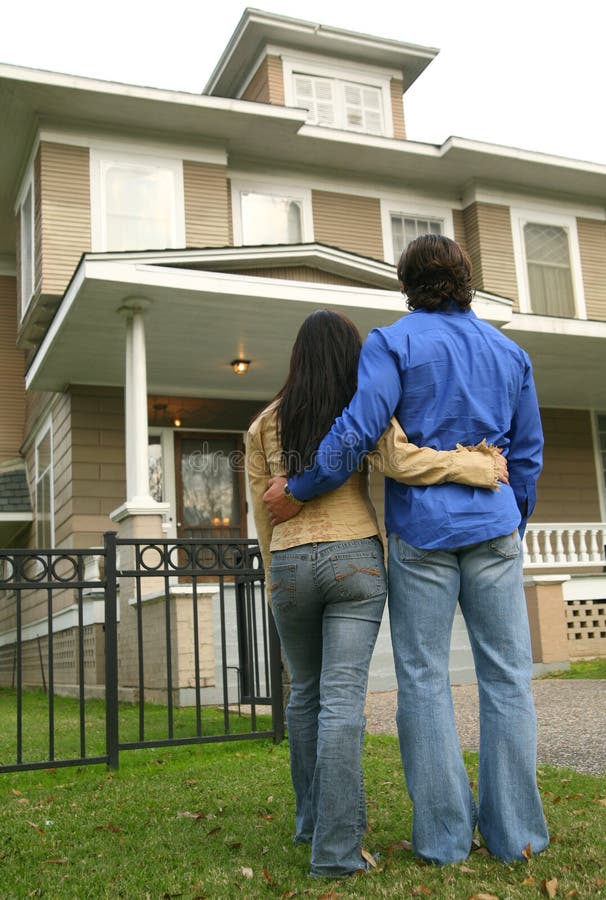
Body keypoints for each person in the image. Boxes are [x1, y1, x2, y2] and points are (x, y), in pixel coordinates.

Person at [264, 236, 550, 866]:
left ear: (407, 285)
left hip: (422, 534)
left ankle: (445, 841)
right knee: (507, 677)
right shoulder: (510, 353)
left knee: (423, 681)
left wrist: (302, 487)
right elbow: (526, 454)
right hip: (494, 528)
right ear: (466, 280)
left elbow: (359, 429)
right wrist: (513, 519)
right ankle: (518, 837)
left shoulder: (394, 343)